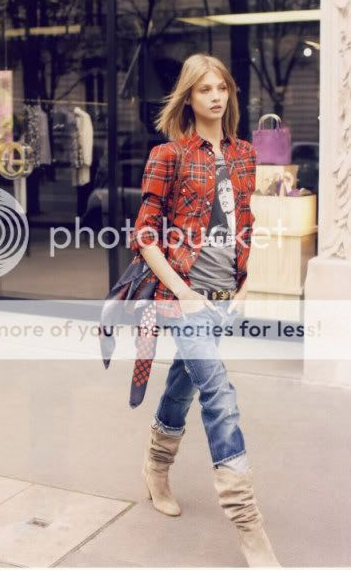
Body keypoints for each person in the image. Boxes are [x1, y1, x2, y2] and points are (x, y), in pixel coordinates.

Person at [130, 53, 280, 567]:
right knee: (218, 392)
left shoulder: (244, 154)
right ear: (189, 98)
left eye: (222, 88)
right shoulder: (169, 155)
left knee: (184, 383)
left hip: (224, 296)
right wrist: (181, 291)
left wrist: (245, 283)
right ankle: (249, 525)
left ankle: (155, 465)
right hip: (185, 297)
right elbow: (145, 235)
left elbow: (245, 223)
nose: (215, 96)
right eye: (204, 89)